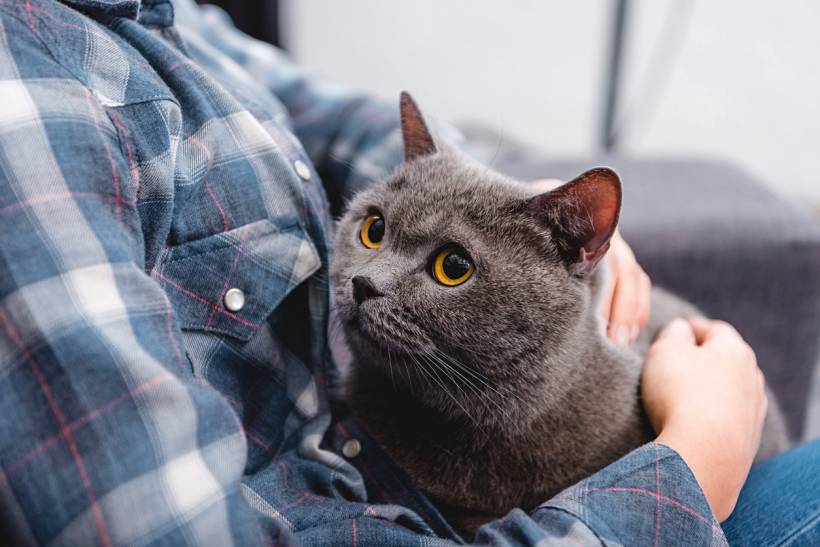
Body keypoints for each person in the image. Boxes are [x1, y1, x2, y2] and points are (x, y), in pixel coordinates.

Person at [0, 0, 816, 545]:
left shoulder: (156, 18)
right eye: (375, 231)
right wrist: (693, 464)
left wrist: (508, 201)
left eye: (447, 266)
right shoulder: (28, 96)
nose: (369, 280)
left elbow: (313, 110)